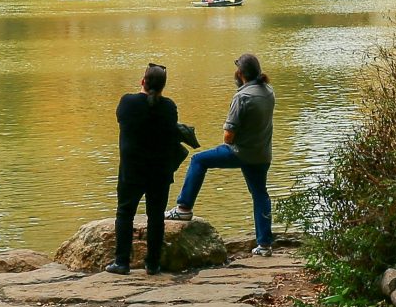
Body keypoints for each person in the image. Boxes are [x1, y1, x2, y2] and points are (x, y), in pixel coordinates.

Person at [167, 51, 275, 251]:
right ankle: (265, 244)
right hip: (262, 154)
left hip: (240, 152)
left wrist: (230, 140)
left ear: (241, 73)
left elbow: (228, 136)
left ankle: (184, 208)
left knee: (199, 160)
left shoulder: (242, 97)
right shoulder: (268, 91)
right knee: (260, 194)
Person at [111, 62, 194, 274]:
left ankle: (121, 262)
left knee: (125, 212)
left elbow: (122, 118)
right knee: (156, 216)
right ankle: (153, 264)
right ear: (163, 86)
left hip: (132, 170)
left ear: (142, 81)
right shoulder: (169, 107)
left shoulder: (127, 103)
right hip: (160, 171)